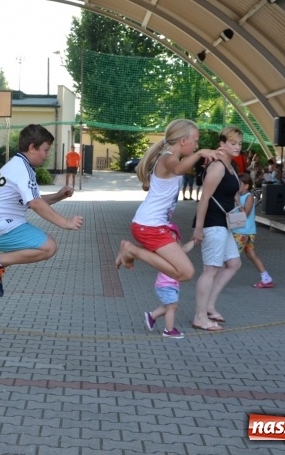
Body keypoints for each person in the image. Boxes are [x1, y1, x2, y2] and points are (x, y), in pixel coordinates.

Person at [0, 124, 84, 297]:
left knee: (48, 245)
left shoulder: (19, 165)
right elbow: (35, 204)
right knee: (48, 247)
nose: (47, 155)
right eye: (45, 150)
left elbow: (32, 201)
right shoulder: (22, 169)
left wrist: (58, 196)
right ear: (32, 148)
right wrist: (66, 223)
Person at [114, 120, 221, 283]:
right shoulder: (168, 159)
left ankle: (132, 251)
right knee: (185, 273)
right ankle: (132, 250)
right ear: (183, 141)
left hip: (152, 224)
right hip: (149, 225)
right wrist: (199, 154)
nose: (197, 146)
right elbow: (178, 169)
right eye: (196, 140)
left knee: (183, 272)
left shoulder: (166, 159)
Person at [191, 125, 243, 331]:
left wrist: (239, 205)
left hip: (224, 223)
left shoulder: (231, 166)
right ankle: (199, 316)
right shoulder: (218, 166)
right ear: (222, 144)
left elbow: (230, 193)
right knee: (210, 269)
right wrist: (199, 228)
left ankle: (210, 306)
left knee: (233, 263)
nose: (237, 147)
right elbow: (204, 198)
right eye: (233, 143)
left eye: (239, 143)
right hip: (213, 224)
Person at [144, 223, 194, 339]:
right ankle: (169, 330)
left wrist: (194, 241)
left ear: (177, 237)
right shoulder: (163, 252)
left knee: (172, 306)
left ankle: (152, 316)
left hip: (172, 285)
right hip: (165, 284)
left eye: (172, 234)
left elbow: (185, 248)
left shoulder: (177, 252)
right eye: (167, 235)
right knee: (172, 307)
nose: (170, 236)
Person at [232, 173, 274, 289]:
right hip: (240, 230)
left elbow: (245, 214)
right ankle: (266, 278)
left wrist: (237, 201)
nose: (236, 187)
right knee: (251, 254)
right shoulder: (238, 195)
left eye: (239, 184)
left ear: (246, 186)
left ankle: (216, 278)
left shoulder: (249, 196)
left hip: (243, 232)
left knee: (230, 255)